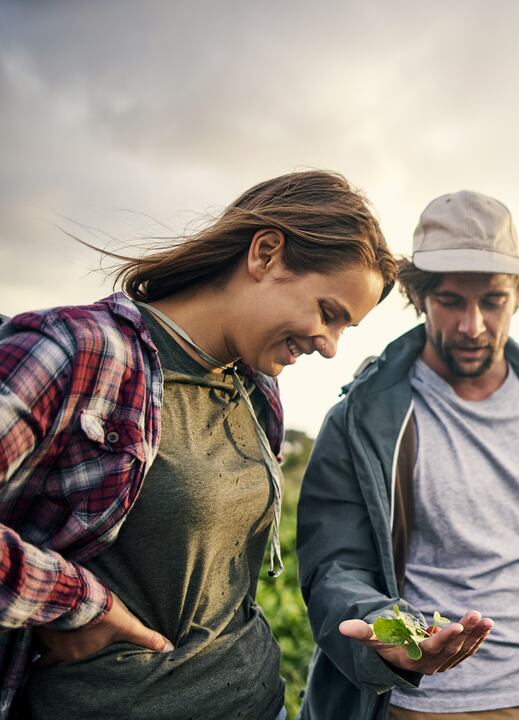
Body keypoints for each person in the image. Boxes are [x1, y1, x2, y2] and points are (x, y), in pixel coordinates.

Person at [0, 170, 410, 720]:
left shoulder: (257, 389)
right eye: (328, 313)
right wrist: (75, 603)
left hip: (261, 703)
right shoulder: (78, 351)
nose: (330, 346)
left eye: (345, 329)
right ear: (265, 253)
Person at [296, 190, 519, 720]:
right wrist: (392, 634)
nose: (472, 326)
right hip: (435, 707)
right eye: (450, 301)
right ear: (417, 296)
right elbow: (334, 568)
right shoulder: (361, 420)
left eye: (492, 301)